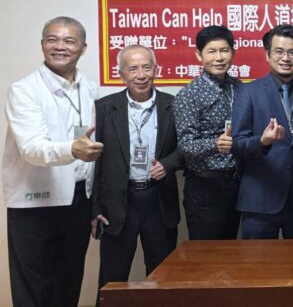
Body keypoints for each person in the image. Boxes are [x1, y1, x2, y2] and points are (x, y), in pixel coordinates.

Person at [2, 16, 103, 307]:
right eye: (52, 40)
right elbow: (31, 148)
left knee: (68, 282)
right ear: (42, 44)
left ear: (83, 48)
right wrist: (73, 149)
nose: (60, 47)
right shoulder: (24, 90)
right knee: (33, 288)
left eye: (69, 41)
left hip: (78, 201)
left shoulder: (89, 88)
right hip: (35, 204)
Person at [92, 45, 182, 298]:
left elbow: (186, 148)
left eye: (146, 67)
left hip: (158, 201)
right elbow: (93, 161)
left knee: (162, 278)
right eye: (132, 69)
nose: (141, 75)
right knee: (111, 279)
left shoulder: (172, 105)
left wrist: (168, 164)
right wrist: (95, 207)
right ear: (121, 73)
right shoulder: (104, 107)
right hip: (117, 205)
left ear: (156, 70)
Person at [232, 24, 293, 239]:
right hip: (260, 198)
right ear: (267, 55)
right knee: (257, 260)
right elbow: (237, 144)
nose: (286, 58)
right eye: (279, 51)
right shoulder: (248, 92)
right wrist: (262, 141)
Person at [174, 25, 241, 240]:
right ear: (199, 55)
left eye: (224, 50)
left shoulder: (240, 88)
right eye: (211, 51)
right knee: (205, 252)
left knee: (231, 249)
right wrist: (215, 144)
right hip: (205, 186)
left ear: (233, 53)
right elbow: (185, 145)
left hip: (237, 182)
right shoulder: (189, 94)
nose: (219, 58)